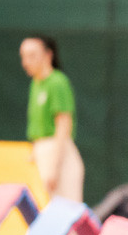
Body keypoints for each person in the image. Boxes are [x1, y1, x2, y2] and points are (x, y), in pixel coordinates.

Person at [21, 35, 84, 201]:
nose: (26, 62)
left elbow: (64, 125)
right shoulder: (36, 83)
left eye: (32, 55)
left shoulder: (57, 82)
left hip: (59, 154)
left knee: (67, 210)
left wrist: (55, 166)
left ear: (48, 55)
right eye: (23, 56)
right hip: (42, 152)